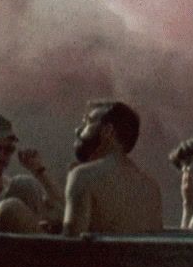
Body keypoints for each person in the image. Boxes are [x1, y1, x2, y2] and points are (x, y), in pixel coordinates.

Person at [63, 100, 162, 236]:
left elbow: (69, 248)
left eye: (88, 122)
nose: (78, 130)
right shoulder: (151, 187)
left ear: (108, 131)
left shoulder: (83, 176)